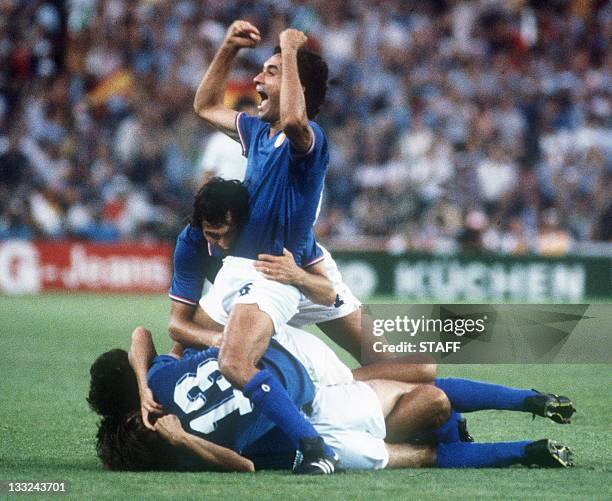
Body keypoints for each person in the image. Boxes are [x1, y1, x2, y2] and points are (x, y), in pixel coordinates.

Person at [188, 20, 374, 472]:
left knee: (398, 362)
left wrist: (290, 50)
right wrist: (228, 48)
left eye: (269, 72)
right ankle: (322, 404)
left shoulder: (309, 139)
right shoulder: (255, 133)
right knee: (199, 347)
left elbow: (293, 117)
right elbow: (205, 105)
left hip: (294, 270)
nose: (257, 79)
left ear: (295, 86)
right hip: (269, 272)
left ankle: (438, 417)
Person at [88, 326, 575, 472]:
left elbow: (242, 466)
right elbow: (144, 335)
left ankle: (515, 442)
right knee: (428, 393)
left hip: (306, 424)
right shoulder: (163, 377)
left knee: (425, 428)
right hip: (298, 370)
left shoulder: (165, 432)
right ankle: (524, 411)